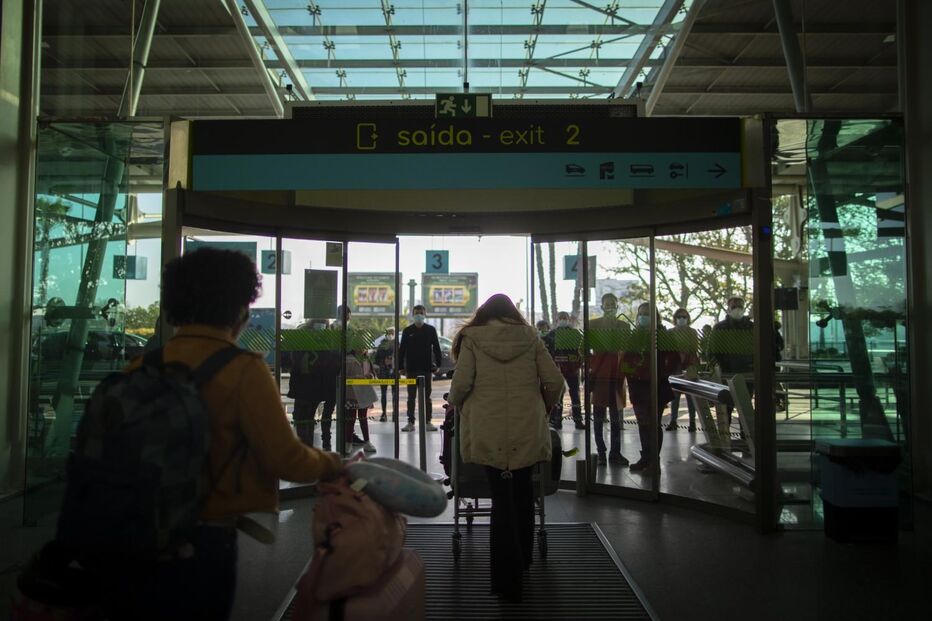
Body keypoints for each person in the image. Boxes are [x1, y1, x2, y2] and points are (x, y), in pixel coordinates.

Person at [115, 247, 342, 620]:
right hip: (203, 538)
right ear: (239, 309)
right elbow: (285, 458)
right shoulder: (242, 370)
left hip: (131, 529)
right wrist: (330, 463)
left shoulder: (139, 367)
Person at [447, 294, 563, 600]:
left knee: (501, 497)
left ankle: (506, 583)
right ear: (513, 313)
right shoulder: (531, 337)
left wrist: (455, 404)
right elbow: (555, 381)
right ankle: (524, 559)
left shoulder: (471, 339)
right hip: (526, 425)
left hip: (488, 426)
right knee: (524, 493)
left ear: (484, 314)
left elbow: (460, 385)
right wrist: (544, 407)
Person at [622, 303, 678, 472]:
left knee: (653, 424)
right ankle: (646, 458)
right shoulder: (635, 336)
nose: (643, 317)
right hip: (637, 388)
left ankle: (654, 461)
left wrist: (658, 373)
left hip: (656, 387)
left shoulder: (663, 336)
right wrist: (632, 371)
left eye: (647, 314)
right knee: (642, 424)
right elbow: (625, 360)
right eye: (641, 314)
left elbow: (674, 361)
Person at [588, 293, 629, 466]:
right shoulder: (593, 324)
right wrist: (593, 366)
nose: (610, 306)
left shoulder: (624, 326)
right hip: (600, 375)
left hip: (617, 375)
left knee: (615, 418)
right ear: (602, 306)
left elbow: (627, 350)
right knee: (598, 417)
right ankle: (601, 452)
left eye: (613, 303)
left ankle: (615, 452)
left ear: (617, 306)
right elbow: (585, 350)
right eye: (607, 304)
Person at [398, 304, 442, 432]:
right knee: (411, 397)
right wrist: (401, 367)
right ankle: (410, 422)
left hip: (426, 369)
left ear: (425, 314)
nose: (419, 315)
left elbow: (437, 348)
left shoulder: (431, 330)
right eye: (416, 313)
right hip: (411, 370)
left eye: (421, 313)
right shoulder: (407, 331)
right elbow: (402, 351)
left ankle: (428, 421)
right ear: (413, 315)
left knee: (427, 397)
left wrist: (438, 365)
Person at [543, 311, 585, 430]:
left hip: (572, 370)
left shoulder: (576, 334)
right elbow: (545, 350)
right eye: (560, 318)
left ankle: (578, 421)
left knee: (575, 396)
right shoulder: (551, 335)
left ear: (568, 319)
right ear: (556, 320)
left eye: (564, 318)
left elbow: (581, 351)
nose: (562, 320)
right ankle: (556, 421)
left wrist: (577, 363)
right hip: (557, 370)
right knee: (558, 397)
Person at [665, 308, 700, 432]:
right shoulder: (670, 332)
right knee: (675, 396)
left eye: (684, 317)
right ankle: (673, 421)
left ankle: (692, 422)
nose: (682, 319)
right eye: (679, 316)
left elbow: (694, 349)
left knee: (691, 396)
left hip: (689, 366)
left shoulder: (692, 332)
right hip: (675, 366)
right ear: (675, 318)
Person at [344, 348, 377, 454]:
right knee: (351, 418)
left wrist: (370, 376)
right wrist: (360, 377)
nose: (363, 349)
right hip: (351, 393)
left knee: (363, 418)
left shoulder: (366, 359)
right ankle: (348, 442)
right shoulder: (348, 359)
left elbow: (372, 373)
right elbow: (344, 376)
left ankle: (367, 442)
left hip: (364, 392)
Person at [373, 327, 396, 422]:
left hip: (394, 371)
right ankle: (384, 413)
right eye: (389, 333)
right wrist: (384, 361)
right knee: (383, 393)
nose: (390, 334)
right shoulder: (382, 344)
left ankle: (395, 413)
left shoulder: (396, 344)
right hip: (384, 371)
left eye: (392, 333)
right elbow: (377, 358)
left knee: (395, 393)